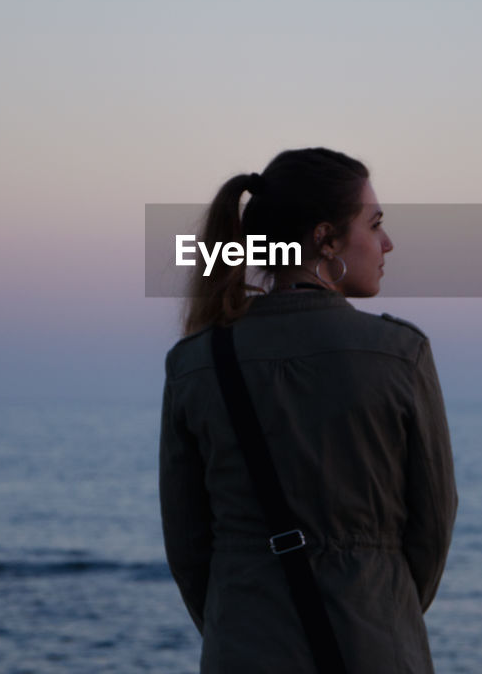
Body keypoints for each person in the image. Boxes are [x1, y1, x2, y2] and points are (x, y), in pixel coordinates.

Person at [159, 147, 458, 673]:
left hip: (243, 649)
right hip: (377, 646)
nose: (387, 242)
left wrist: (242, 620)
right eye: (375, 223)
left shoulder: (197, 362)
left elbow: (188, 546)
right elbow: (432, 526)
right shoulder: (399, 354)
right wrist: (383, 605)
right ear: (326, 239)